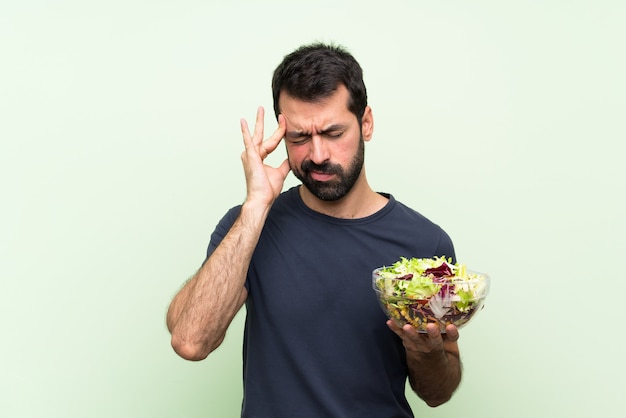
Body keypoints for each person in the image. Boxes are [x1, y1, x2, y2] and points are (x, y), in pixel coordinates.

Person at [166, 42, 462, 417]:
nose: (318, 155)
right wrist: (256, 206)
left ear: (365, 123)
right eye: (300, 138)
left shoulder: (425, 243)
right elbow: (191, 341)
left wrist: (429, 353)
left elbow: (438, 393)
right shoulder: (250, 226)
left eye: (333, 133)